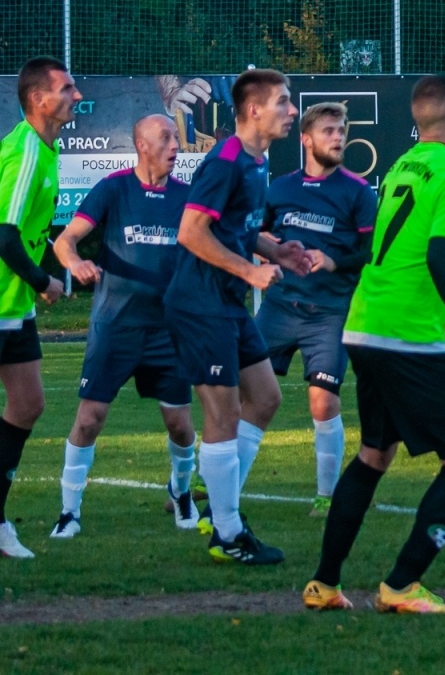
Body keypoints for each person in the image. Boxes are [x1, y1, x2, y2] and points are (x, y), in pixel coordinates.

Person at [303, 74, 445, 616]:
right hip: (404, 334)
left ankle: (324, 584)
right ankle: (401, 585)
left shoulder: (403, 165)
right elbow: (442, 259)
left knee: (374, 454)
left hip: (365, 322)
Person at [167, 68, 312, 566]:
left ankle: (222, 507)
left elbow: (238, 228)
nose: (292, 110)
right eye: (283, 102)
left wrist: (278, 249)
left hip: (225, 300)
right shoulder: (225, 161)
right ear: (254, 110)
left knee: (266, 399)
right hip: (199, 301)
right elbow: (191, 233)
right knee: (223, 415)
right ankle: (227, 532)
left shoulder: (256, 160)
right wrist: (251, 273)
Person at [49, 115, 200, 538]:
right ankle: (69, 512)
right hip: (115, 326)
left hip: (168, 330)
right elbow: (66, 240)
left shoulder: (187, 197)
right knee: (89, 418)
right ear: (141, 144)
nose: (175, 144)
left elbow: (219, 240)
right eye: (166, 137)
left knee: (180, 425)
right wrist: (75, 263)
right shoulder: (114, 188)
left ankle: (182, 493)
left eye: (176, 136)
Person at [255, 102, 377, 516]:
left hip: (329, 311)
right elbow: (259, 231)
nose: (338, 137)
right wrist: (267, 255)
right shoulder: (280, 188)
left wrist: (333, 261)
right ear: (305, 139)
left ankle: (325, 497)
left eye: (341, 130)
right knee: (243, 392)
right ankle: (210, 482)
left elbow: (369, 252)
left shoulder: (358, 192)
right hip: (278, 306)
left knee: (323, 402)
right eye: (328, 131)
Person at [0, 58, 75, 559]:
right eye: (66, 88)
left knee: (29, 405)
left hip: (14, 305)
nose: (76, 94)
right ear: (38, 100)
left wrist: (51, 275)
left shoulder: (49, 151)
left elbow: (29, 232)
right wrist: (44, 278)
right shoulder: (24, 149)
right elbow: (4, 234)